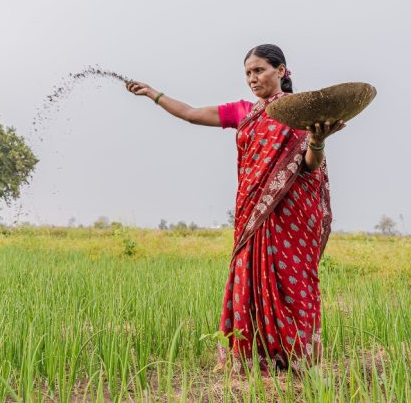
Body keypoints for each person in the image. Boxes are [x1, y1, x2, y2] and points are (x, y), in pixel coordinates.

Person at [126, 44, 345, 373]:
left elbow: (310, 166)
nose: (252, 78)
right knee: (251, 278)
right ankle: (253, 360)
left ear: (281, 71)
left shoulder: (299, 111)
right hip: (252, 217)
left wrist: (318, 141)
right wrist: (153, 94)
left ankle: (297, 361)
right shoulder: (245, 112)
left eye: (259, 70)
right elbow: (191, 113)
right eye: (247, 73)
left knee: (291, 281)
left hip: (289, 216)